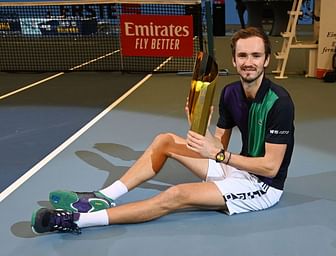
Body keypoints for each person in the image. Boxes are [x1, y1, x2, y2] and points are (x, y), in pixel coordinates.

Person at [31, 27, 295, 235]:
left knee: (175, 194)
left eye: (256, 55)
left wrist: (221, 156)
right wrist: (197, 124)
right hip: (236, 168)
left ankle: (77, 220)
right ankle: (105, 197)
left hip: (262, 186)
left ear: (267, 60)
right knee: (165, 140)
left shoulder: (279, 103)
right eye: (243, 56)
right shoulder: (230, 93)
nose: (249, 62)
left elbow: (270, 168)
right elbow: (216, 145)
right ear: (235, 61)